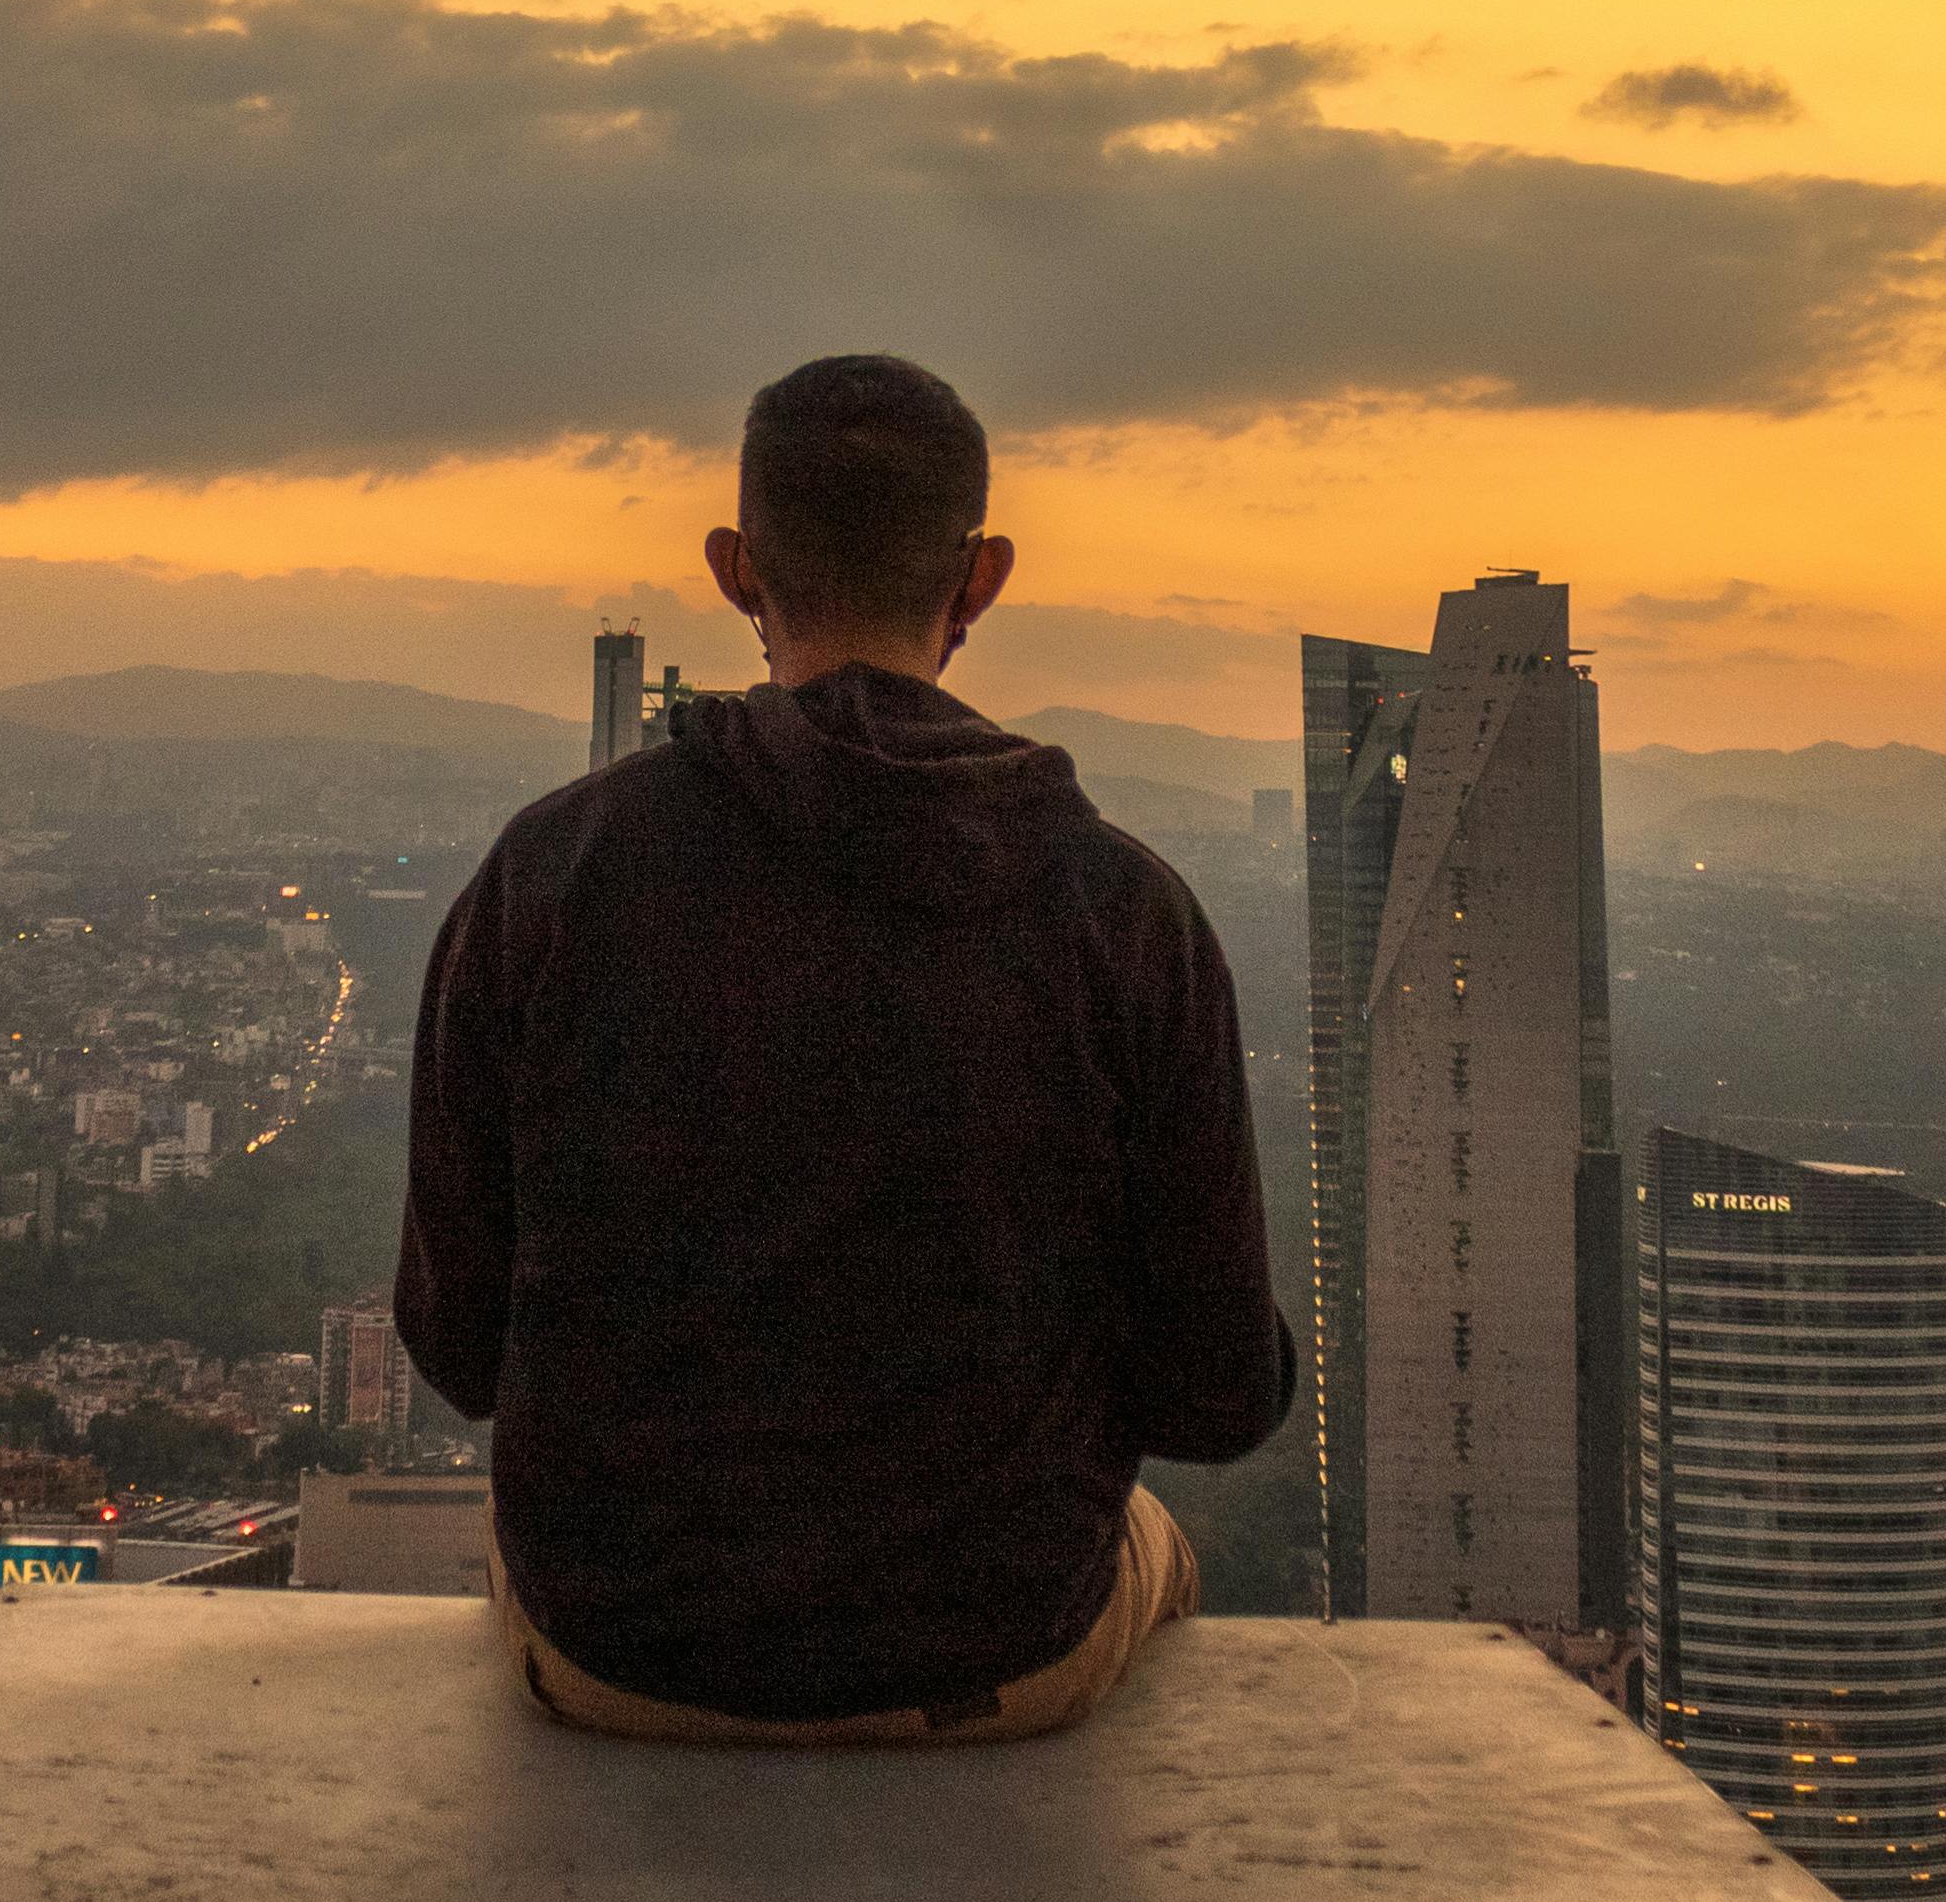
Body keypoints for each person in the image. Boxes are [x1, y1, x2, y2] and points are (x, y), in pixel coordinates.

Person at [392, 351, 1300, 1743]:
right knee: (1162, 1542)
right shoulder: (1125, 915)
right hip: (995, 1647)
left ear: (735, 569)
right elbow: (1221, 1391)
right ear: (982, 575)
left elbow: (458, 1348)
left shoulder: (552, 874)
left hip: (618, 1650)